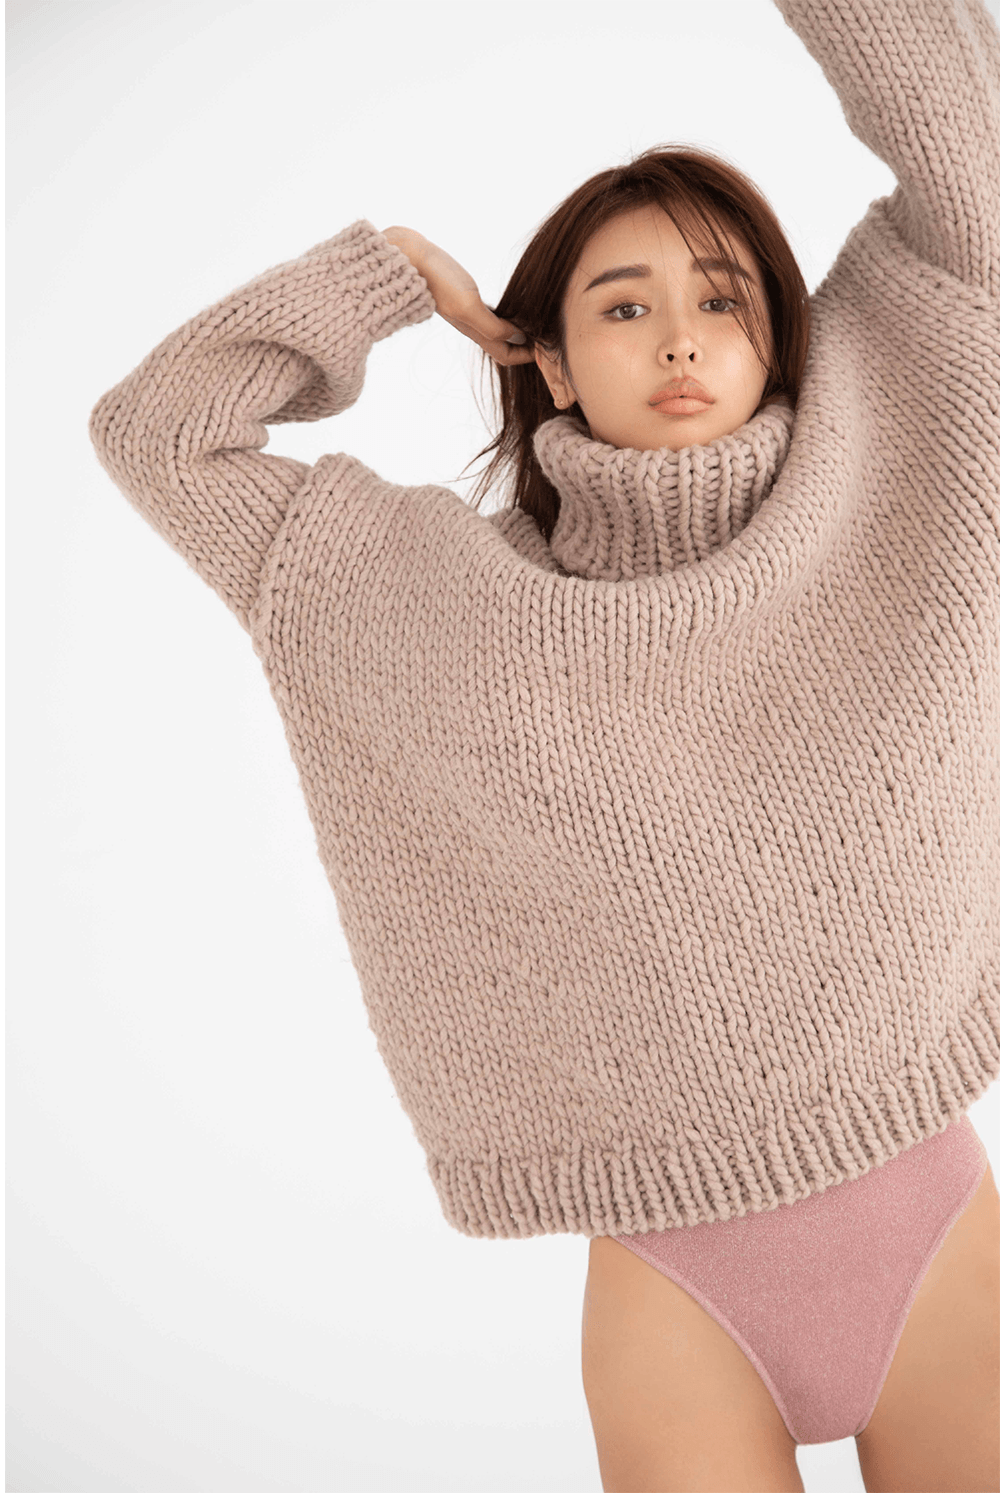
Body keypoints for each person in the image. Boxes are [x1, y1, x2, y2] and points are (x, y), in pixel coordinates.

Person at [89, 0, 999, 1488]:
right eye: (624, 308)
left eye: (722, 300)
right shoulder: (413, 591)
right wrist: (385, 278)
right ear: (552, 364)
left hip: (933, 1222)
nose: (682, 337)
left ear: (778, 338)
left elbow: (976, 158)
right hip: (676, 1288)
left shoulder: (897, 448)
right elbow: (159, 436)